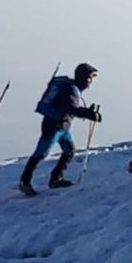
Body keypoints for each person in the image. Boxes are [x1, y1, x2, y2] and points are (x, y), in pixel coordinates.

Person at [20, 63, 101, 195]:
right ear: (83, 77)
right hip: (54, 126)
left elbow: (69, 108)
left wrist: (86, 112)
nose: (90, 82)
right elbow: (70, 108)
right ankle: (25, 182)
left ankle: (55, 179)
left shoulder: (71, 88)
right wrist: (88, 113)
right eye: (90, 77)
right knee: (41, 153)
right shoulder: (71, 89)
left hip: (61, 126)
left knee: (69, 151)